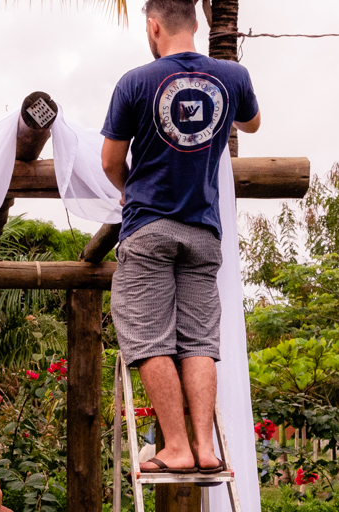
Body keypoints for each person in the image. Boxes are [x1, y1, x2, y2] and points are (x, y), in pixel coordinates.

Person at [100, 0, 261, 475]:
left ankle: (176, 447)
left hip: (149, 228)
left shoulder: (135, 82)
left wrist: (130, 192)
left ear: (153, 27)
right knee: (198, 342)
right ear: (197, 22)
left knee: (148, 340)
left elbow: (110, 161)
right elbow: (252, 122)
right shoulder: (232, 78)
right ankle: (206, 448)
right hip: (204, 233)